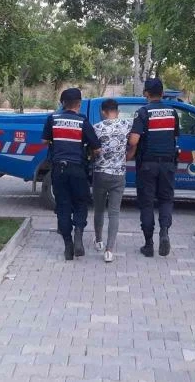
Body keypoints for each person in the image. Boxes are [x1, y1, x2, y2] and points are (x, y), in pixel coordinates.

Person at [42, 88, 101, 260]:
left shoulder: (53, 119)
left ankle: (68, 244)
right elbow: (97, 148)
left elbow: (44, 140)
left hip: (59, 169)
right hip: (78, 169)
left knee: (63, 206)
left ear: (62, 103)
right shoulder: (83, 121)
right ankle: (79, 234)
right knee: (81, 203)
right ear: (79, 104)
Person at [126, 78, 180, 257]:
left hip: (147, 165)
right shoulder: (172, 112)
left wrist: (129, 149)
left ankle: (148, 244)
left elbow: (134, 140)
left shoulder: (143, 112)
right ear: (162, 93)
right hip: (168, 163)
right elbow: (174, 137)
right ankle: (164, 232)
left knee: (147, 203)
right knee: (166, 200)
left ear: (146, 94)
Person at [92, 99, 132, 263]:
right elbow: (135, 141)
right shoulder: (126, 125)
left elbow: (92, 150)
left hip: (100, 174)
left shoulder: (96, 128)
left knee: (99, 210)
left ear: (103, 112)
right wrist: (129, 155)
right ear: (118, 111)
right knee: (114, 213)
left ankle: (98, 241)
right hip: (119, 175)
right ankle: (109, 250)